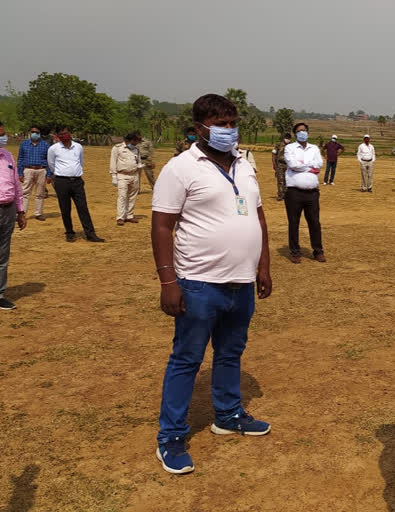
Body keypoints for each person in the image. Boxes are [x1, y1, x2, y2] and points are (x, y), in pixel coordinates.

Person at [151, 93, 272, 475]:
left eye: (232, 122)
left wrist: (263, 266)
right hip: (199, 283)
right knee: (186, 359)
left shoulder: (245, 164)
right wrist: (169, 281)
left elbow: (258, 217)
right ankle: (170, 436)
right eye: (221, 123)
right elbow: (161, 226)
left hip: (240, 282)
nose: (229, 130)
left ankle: (229, 414)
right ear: (199, 127)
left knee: (230, 353)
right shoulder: (180, 168)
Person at [48, 127, 104, 242]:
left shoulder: (78, 147)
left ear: (70, 134)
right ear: (58, 136)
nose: (64, 136)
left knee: (83, 207)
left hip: (77, 181)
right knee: (65, 208)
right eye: (61, 134)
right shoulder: (53, 149)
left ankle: (90, 233)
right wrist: (61, 174)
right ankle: (69, 232)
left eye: (66, 133)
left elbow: (80, 161)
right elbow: (51, 165)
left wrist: (75, 172)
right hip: (61, 181)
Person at [284, 123, 325, 263]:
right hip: (294, 192)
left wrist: (303, 165)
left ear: (308, 132)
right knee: (294, 222)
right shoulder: (290, 148)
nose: (303, 133)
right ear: (295, 134)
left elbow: (319, 164)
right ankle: (295, 252)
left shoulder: (314, 148)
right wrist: (309, 166)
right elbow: (292, 164)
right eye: (299, 131)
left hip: (312, 193)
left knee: (314, 222)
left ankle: (318, 251)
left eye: (305, 130)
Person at [0, 123, 27, 311]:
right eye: (1, 135)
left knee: (3, 254)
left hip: (8, 210)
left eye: (3, 134)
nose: (4, 138)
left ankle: (0, 294)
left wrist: (20, 211)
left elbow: (16, 185)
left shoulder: (8, 156)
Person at [17, 126, 51, 221]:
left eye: (36, 132)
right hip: (28, 170)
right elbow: (20, 159)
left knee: (40, 193)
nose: (34, 134)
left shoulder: (45, 145)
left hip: (41, 170)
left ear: (40, 133)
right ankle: (22, 213)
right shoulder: (24, 144)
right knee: (25, 193)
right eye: (33, 132)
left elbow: (49, 160)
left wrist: (49, 174)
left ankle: (38, 213)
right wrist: (20, 173)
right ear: (30, 132)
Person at [110, 132, 143, 226]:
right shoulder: (117, 148)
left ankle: (129, 215)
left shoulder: (136, 149)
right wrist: (113, 176)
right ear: (130, 140)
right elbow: (113, 162)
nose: (136, 143)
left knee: (132, 196)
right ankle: (120, 217)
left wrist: (144, 165)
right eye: (135, 141)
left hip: (134, 175)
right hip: (122, 175)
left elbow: (138, 162)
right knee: (122, 196)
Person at [271, 133, 291, 201]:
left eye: (289, 138)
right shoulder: (278, 145)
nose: (287, 139)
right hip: (280, 165)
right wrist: (274, 164)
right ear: (284, 138)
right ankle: (280, 195)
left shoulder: (291, 146)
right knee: (280, 180)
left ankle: (286, 195)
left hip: (288, 166)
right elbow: (273, 154)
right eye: (286, 138)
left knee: (287, 181)